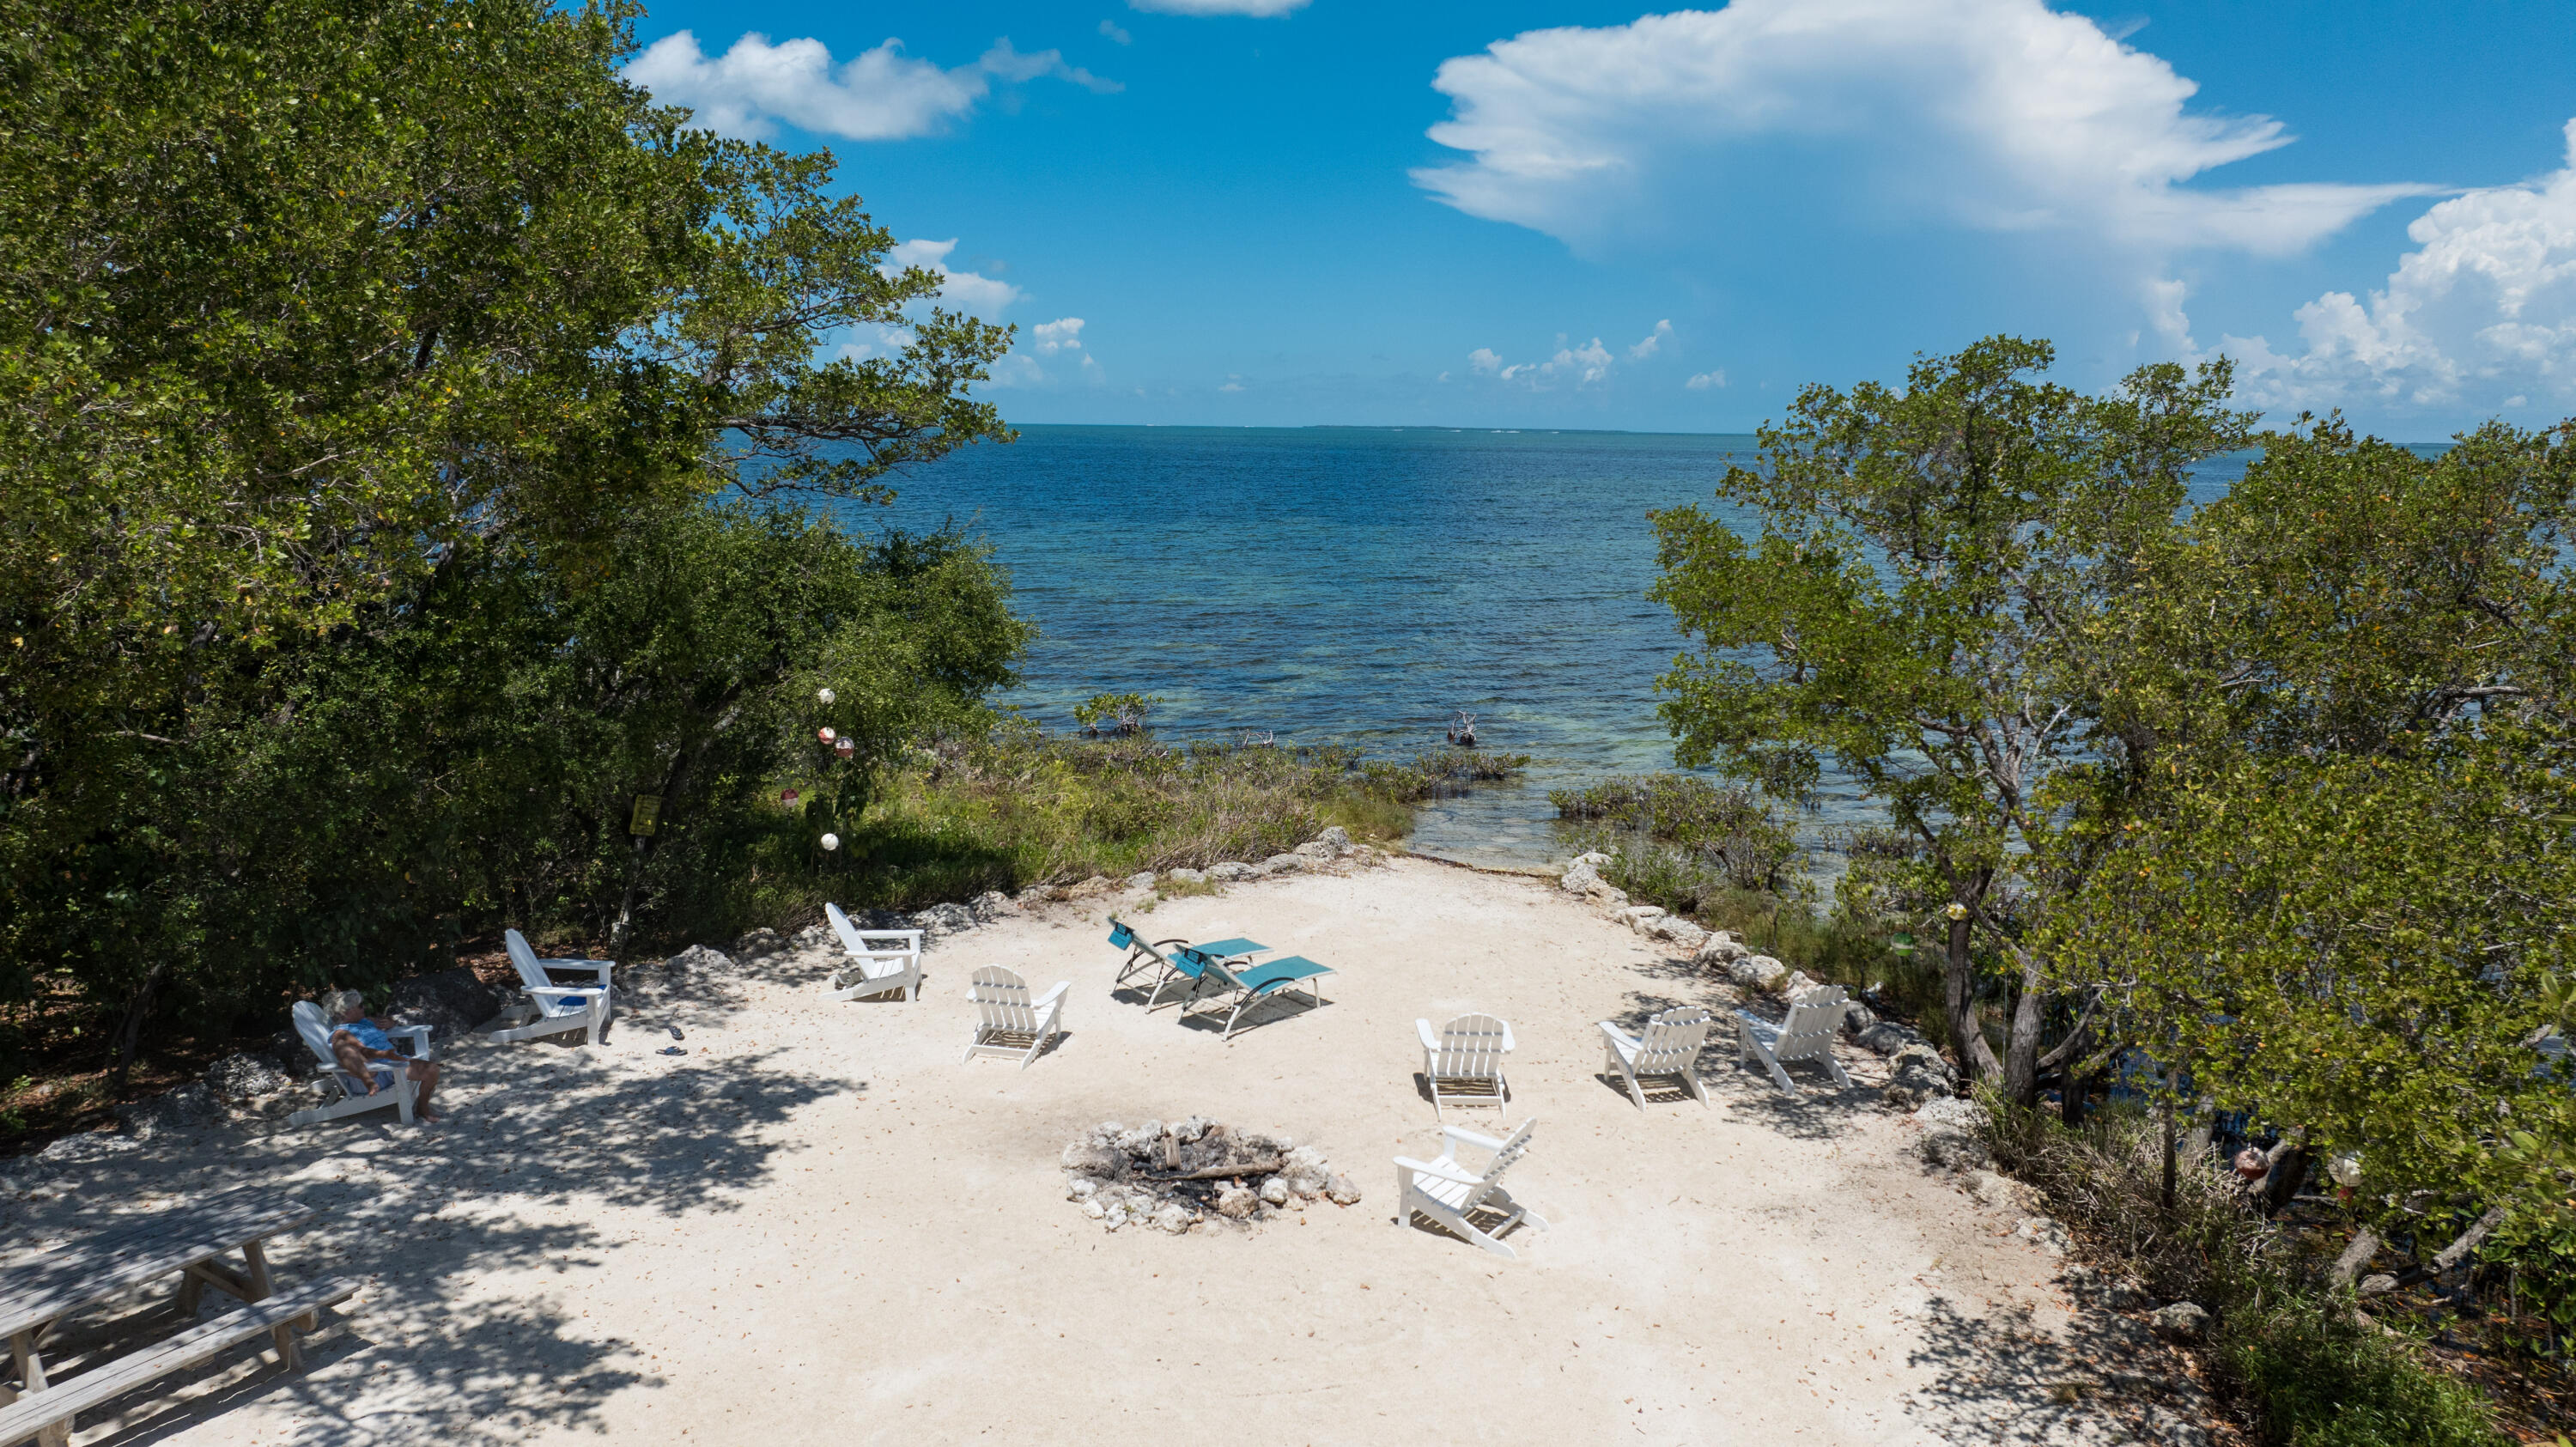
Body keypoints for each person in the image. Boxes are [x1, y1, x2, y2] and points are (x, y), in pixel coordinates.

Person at [324, 988, 443, 1122]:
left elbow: (386, 1021)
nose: (364, 1008)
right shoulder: (339, 1033)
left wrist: (391, 1022)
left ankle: (422, 1108)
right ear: (347, 1012)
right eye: (361, 1006)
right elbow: (345, 1055)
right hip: (371, 1074)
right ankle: (370, 1077)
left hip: (392, 1065)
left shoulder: (365, 1022)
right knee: (350, 1049)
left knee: (432, 1069)